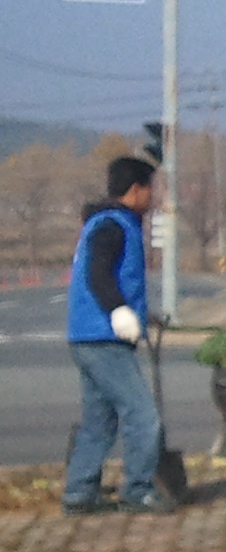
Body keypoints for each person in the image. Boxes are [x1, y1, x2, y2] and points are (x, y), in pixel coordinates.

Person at [63, 155, 176, 516]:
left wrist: (143, 314)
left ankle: (79, 493)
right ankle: (137, 489)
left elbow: (116, 278)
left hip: (87, 335)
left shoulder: (107, 222)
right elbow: (99, 276)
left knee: (100, 420)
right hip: (103, 337)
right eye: (151, 190)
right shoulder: (112, 226)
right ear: (135, 190)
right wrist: (119, 311)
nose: (153, 198)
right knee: (143, 415)